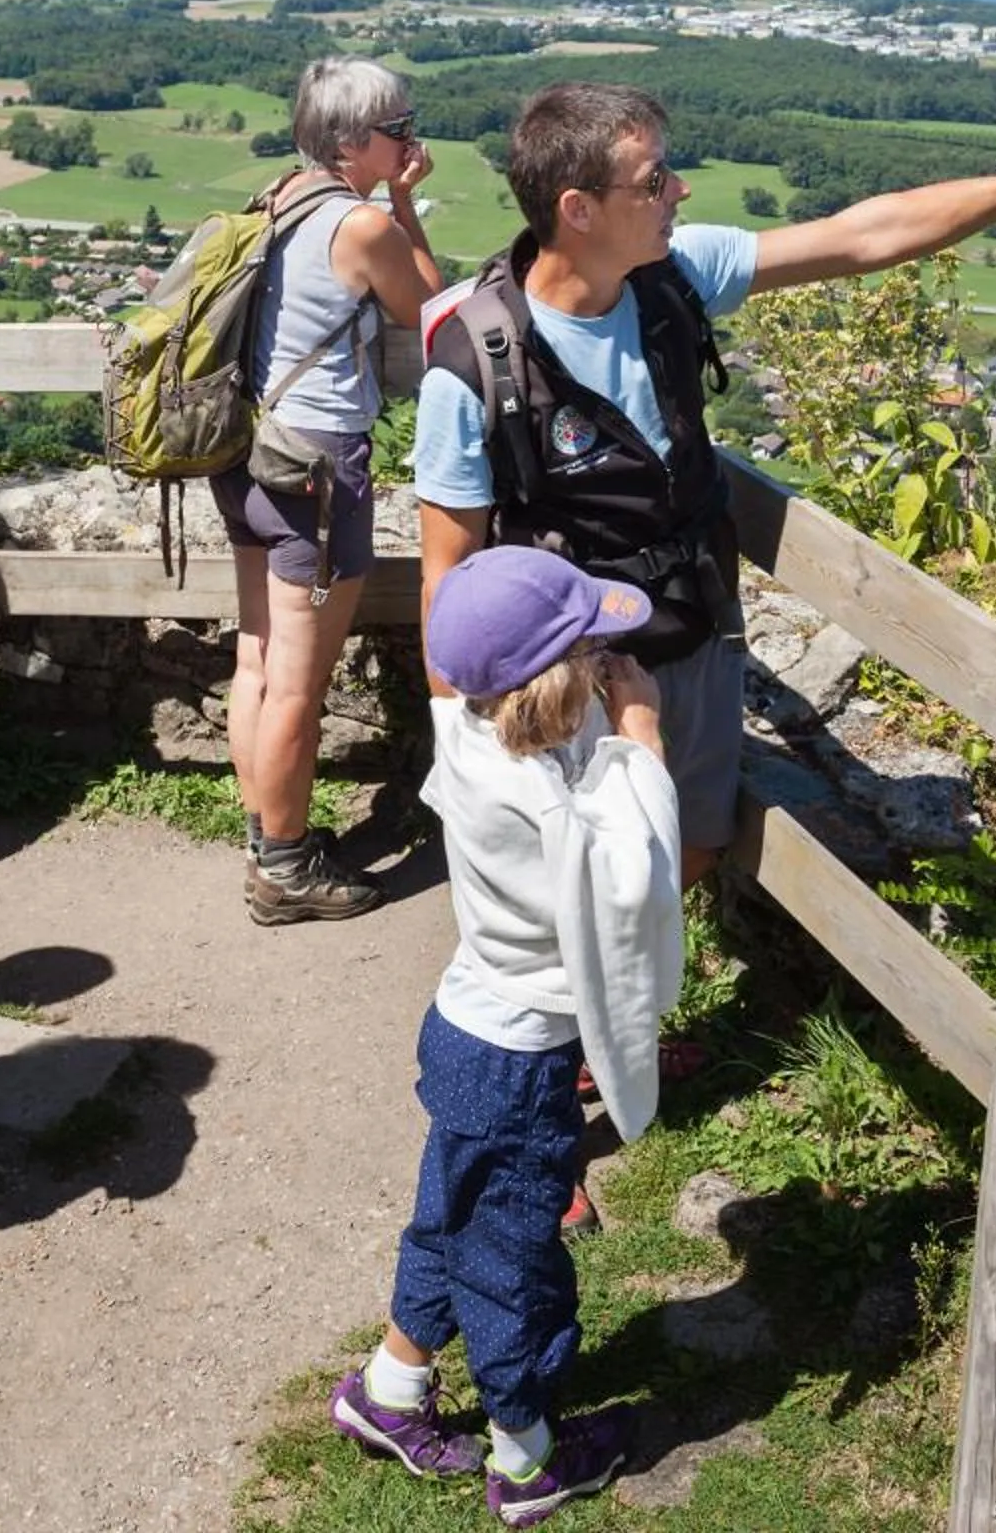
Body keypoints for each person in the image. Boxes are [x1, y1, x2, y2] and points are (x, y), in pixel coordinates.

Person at [415, 82, 996, 886]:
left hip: (693, 631)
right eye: (655, 180)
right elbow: (445, 579)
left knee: (688, 845)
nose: (680, 191)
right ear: (579, 209)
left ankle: (639, 1003)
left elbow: (861, 237)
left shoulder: (671, 276)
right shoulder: (478, 367)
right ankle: (565, 1009)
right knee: (560, 872)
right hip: (563, 666)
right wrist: (464, 751)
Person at [327, 546, 682, 1523]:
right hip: (521, 1068)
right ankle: (528, 1455)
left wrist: (586, 701)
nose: (614, 657)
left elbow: (499, 687)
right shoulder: (550, 804)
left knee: (449, 1216)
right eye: (596, 649)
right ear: (565, 682)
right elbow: (637, 870)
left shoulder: (468, 732)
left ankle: (390, 1390)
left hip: (463, 1035)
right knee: (514, 1265)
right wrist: (642, 728)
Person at [215, 55, 444, 925]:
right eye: (398, 128)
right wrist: (407, 204)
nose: (411, 139)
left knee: (256, 660)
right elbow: (428, 310)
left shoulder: (280, 196)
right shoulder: (360, 226)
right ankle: (284, 869)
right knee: (299, 687)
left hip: (246, 454)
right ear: (354, 141)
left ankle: (263, 828)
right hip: (315, 466)